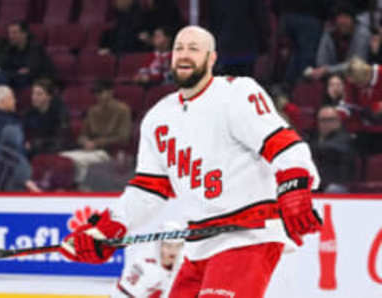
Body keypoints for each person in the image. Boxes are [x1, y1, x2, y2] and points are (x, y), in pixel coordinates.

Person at [58, 26, 321, 298]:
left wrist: (294, 184)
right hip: (198, 244)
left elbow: (283, 143)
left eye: (194, 49)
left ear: (211, 59)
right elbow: (149, 189)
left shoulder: (237, 93)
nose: (184, 55)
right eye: (179, 48)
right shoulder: (158, 118)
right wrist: (107, 228)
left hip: (247, 235)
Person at [60, 79, 132, 190]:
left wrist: (96, 143)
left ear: (110, 92)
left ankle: (84, 187)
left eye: (100, 92)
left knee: (77, 160)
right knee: (63, 156)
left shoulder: (123, 110)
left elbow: (123, 136)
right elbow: (83, 134)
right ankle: (81, 186)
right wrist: (84, 141)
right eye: (96, 93)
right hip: (91, 150)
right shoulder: (92, 111)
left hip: (109, 152)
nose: (98, 96)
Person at [111, 221, 184, 298]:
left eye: (178, 246)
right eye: (168, 246)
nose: (173, 251)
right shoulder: (145, 264)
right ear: (159, 245)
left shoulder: (183, 260)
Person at [308, 3, 370, 79]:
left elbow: (359, 64)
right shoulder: (330, 33)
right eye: (340, 17)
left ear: (353, 20)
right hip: (332, 79)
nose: (343, 21)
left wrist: (329, 70)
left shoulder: (362, 34)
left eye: (346, 17)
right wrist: (327, 71)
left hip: (356, 77)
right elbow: (321, 61)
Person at [309, 106, 355, 193]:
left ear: (338, 121)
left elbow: (333, 148)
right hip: (317, 183)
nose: (326, 123)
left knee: (333, 189)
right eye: (322, 120)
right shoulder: (313, 137)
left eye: (330, 119)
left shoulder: (345, 138)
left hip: (337, 183)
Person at [0, 21, 55, 88]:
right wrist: (17, 72)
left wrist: (13, 72)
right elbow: (1, 68)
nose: (11, 36)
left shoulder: (35, 48)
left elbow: (31, 72)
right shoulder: (10, 49)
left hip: (39, 81)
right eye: (9, 33)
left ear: (24, 34)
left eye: (14, 33)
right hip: (17, 79)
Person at [23, 78, 72, 156]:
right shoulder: (29, 113)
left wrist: (35, 144)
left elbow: (61, 140)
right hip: (35, 152)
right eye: (33, 93)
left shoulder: (60, 112)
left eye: (39, 94)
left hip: (56, 152)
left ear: (49, 96)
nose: (34, 97)